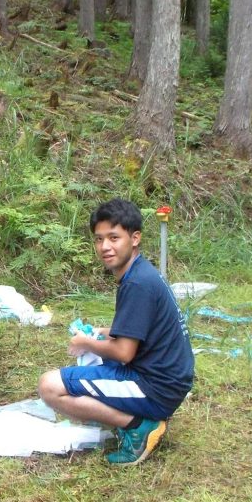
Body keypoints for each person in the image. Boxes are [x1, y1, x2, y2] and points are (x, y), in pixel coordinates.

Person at [38, 199, 194, 466]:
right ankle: (136, 417)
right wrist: (101, 332)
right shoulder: (142, 273)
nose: (105, 247)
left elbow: (123, 352)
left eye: (113, 237)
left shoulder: (137, 283)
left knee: (49, 386)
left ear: (135, 238)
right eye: (99, 239)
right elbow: (139, 330)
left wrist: (86, 342)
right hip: (169, 380)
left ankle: (138, 425)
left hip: (156, 387)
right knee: (101, 346)